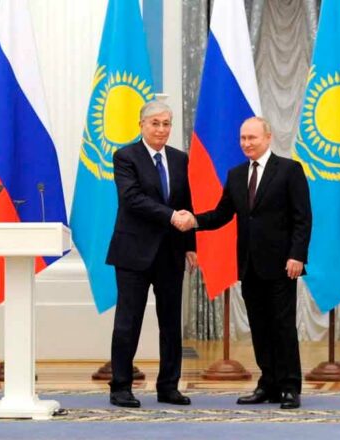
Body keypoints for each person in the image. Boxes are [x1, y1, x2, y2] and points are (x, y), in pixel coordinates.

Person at [174, 116, 312, 409]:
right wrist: (194, 220)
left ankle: (290, 386)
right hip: (249, 266)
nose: (246, 143)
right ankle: (268, 383)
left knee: (283, 327)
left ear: (268, 138)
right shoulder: (236, 174)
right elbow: (222, 214)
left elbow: (302, 218)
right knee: (259, 327)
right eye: (243, 138)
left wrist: (297, 255)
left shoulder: (289, 170)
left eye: (252, 138)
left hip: (282, 265)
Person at [106, 100, 197, 408]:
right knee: (128, 322)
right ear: (141, 125)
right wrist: (171, 216)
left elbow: (185, 202)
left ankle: (168, 386)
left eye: (166, 123)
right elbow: (131, 198)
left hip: (171, 253)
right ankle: (121, 387)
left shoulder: (180, 159)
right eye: (155, 123)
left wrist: (190, 246)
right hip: (133, 252)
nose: (161, 129)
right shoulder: (125, 157)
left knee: (171, 323)